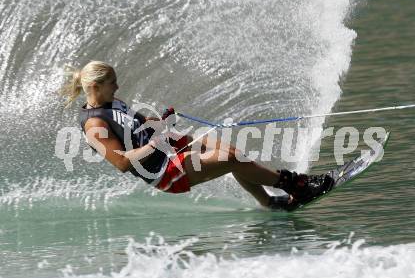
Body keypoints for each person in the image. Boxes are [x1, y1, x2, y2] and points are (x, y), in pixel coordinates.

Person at [60, 61, 334, 211]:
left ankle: (269, 203)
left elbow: (140, 125)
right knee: (229, 159)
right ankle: (296, 186)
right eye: (112, 83)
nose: (118, 86)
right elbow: (121, 162)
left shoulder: (112, 102)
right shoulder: (94, 124)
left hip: (167, 147)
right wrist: (153, 145)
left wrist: (161, 123)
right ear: (95, 87)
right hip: (162, 170)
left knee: (233, 153)